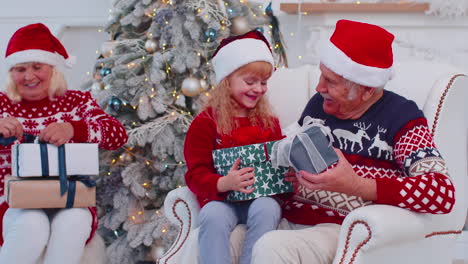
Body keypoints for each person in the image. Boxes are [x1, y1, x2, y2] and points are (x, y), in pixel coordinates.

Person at [246, 19, 456, 264]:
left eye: (331, 81)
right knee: (225, 240)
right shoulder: (319, 105)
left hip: (341, 230)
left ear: (367, 89)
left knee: (272, 247)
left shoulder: (401, 117)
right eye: (321, 76)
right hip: (286, 218)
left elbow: (441, 193)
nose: (318, 87)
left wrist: (357, 185)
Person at [0, 23, 128, 264]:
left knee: (74, 222)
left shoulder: (77, 102)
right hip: (13, 201)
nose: (29, 76)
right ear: (11, 72)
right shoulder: (2, 104)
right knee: (32, 224)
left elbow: (118, 134)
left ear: (52, 68)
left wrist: (74, 128)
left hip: (70, 197)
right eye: (20, 69)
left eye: (37, 67)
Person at [183, 30, 284, 264]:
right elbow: (195, 173)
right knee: (211, 215)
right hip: (222, 200)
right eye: (250, 82)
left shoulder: (268, 120)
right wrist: (223, 183)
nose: (258, 89)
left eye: (263, 82)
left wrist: (285, 177)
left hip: (260, 199)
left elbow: (279, 163)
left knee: (268, 207)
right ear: (226, 81)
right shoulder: (206, 123)